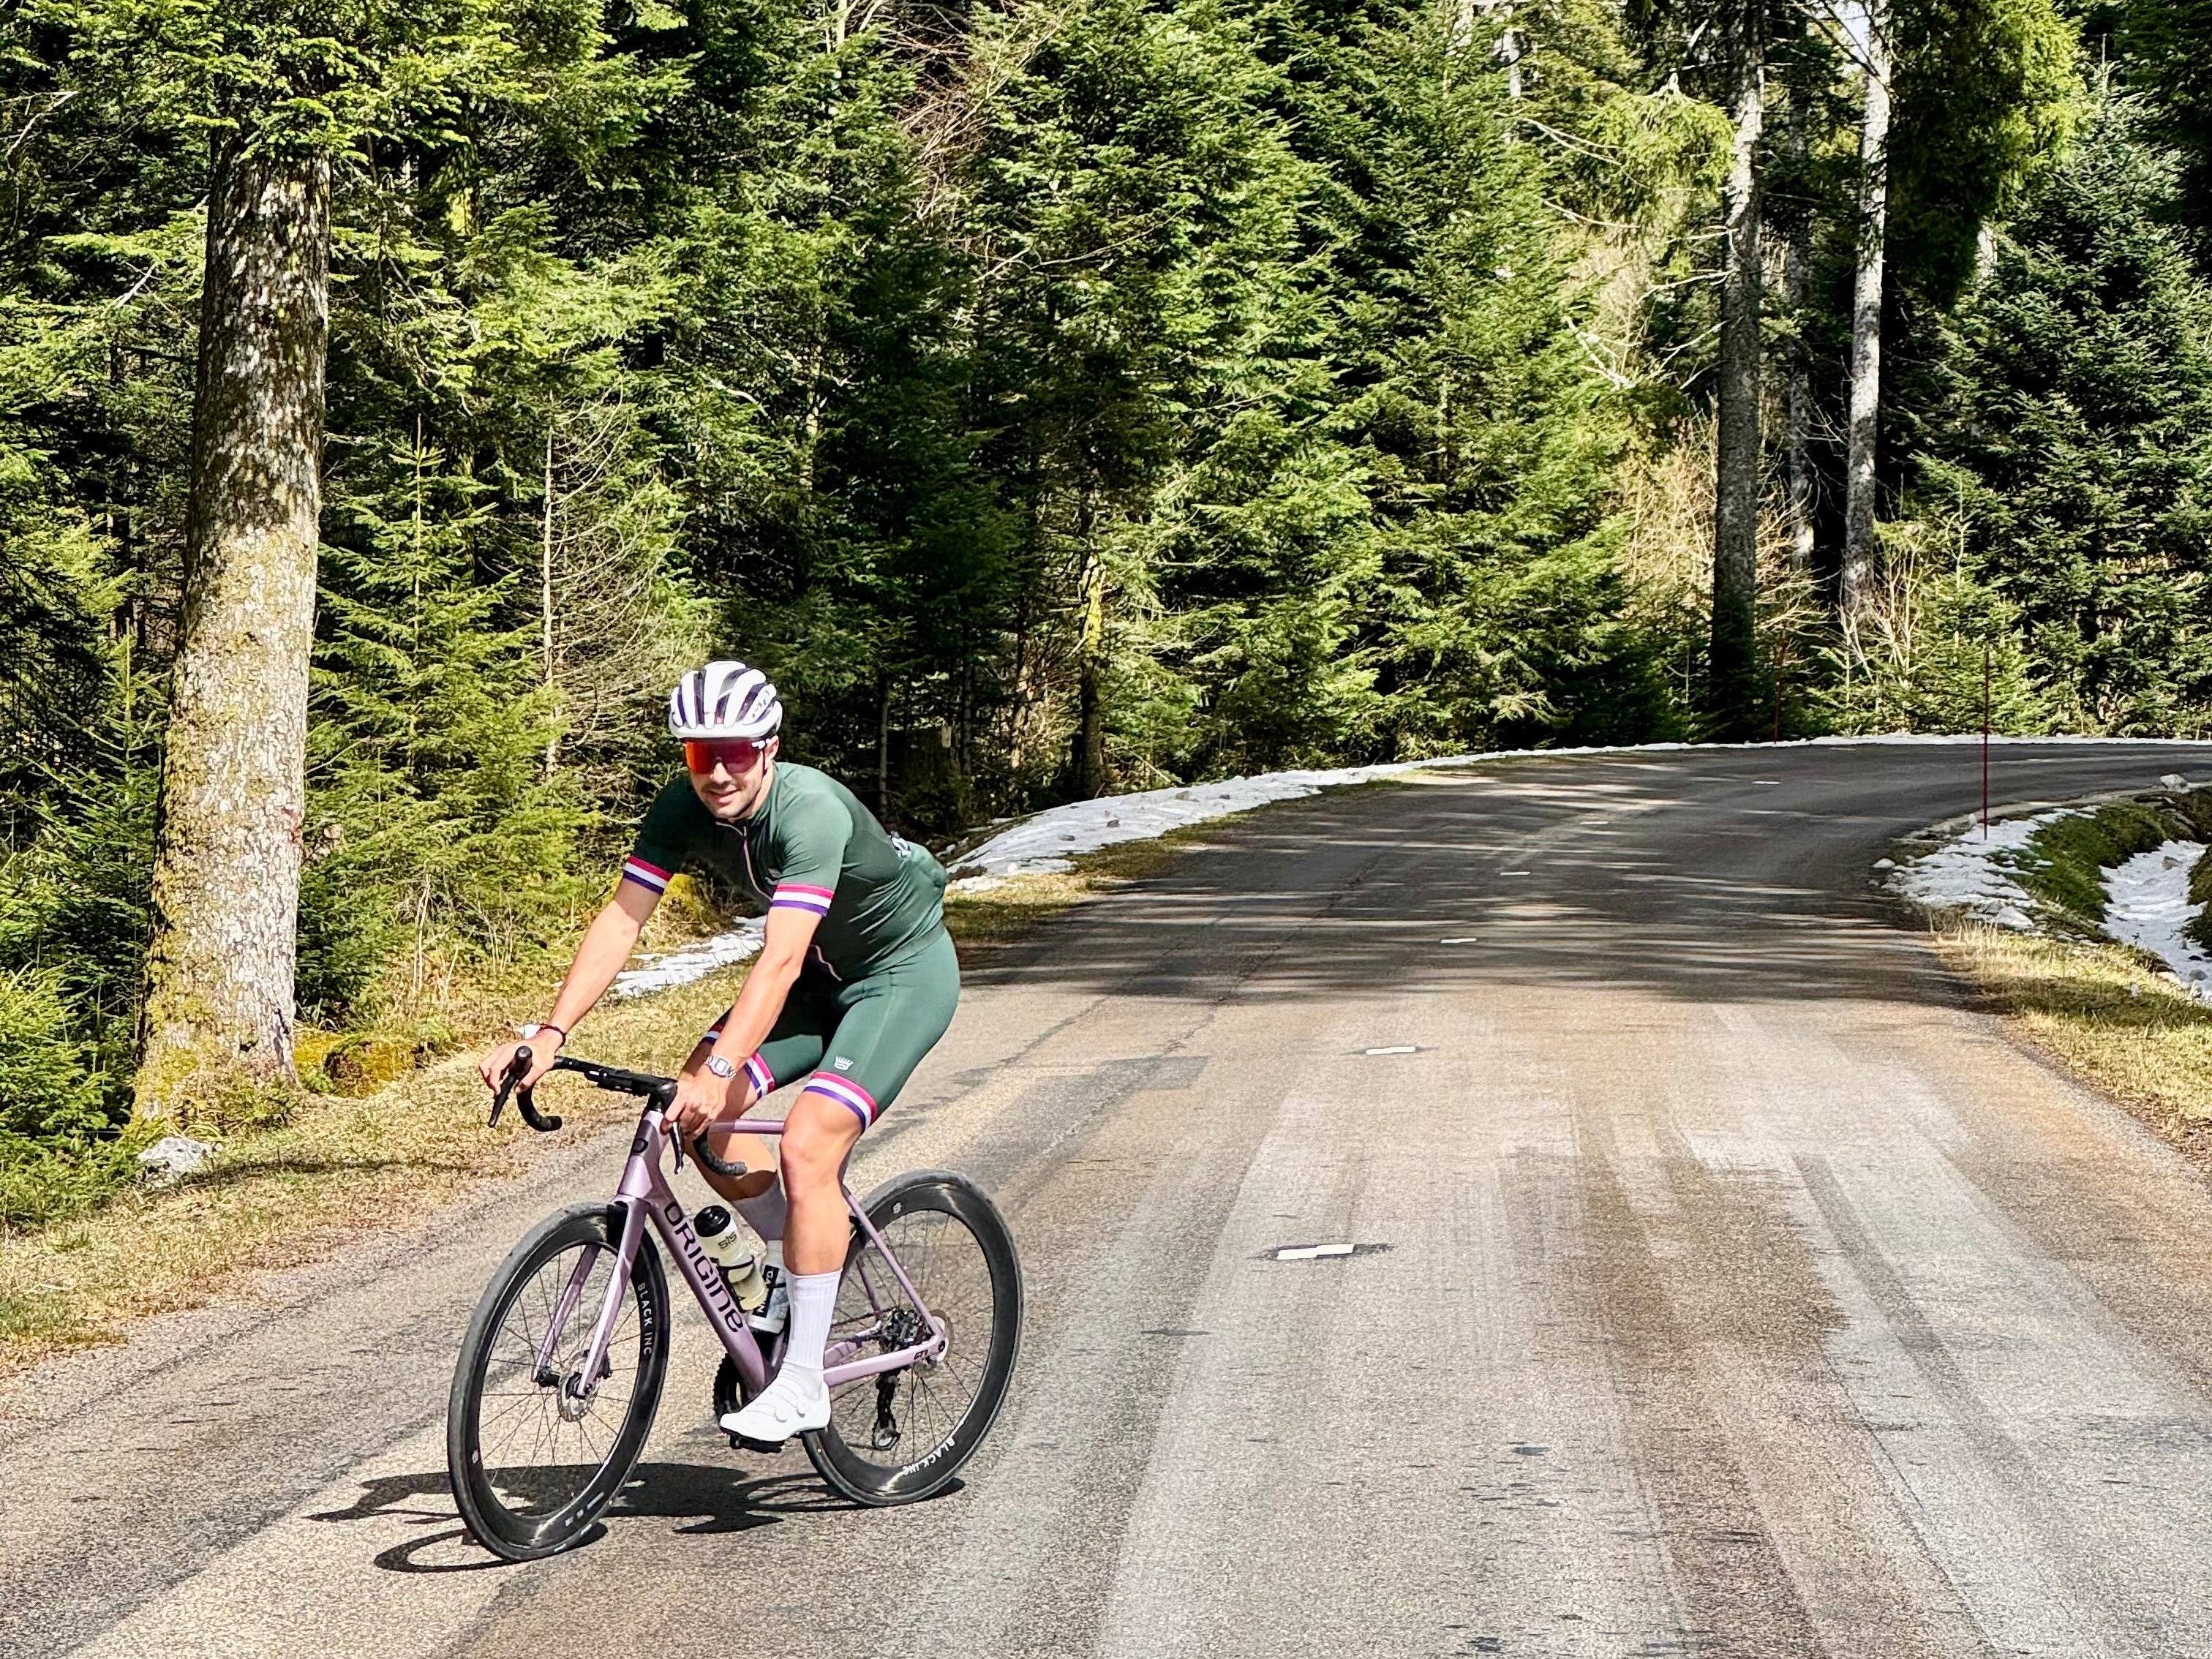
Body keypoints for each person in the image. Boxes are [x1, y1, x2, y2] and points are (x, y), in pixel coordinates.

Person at [478, 661, 958, 1443]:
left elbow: (777, 959)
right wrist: (549, 1032)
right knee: (695, 1121)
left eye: (736, 750)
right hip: (814, 986)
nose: (721, 771)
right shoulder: (681, 807)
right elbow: (624, 919)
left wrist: (725, 1068)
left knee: (807, 1146)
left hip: (897, 980)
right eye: (702, 755)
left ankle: (803, 1382)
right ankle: (793, 1261)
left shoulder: (809, 814)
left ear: (768, 747)